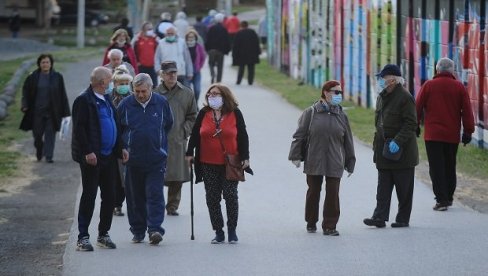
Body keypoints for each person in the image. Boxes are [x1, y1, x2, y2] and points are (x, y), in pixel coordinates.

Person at [186, 83, 251, 244]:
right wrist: (189, 153)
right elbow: (195, 134)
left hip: (230, 162)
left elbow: (242, 135)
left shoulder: (235, 113)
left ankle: (232, 229)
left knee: (230, 195)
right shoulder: (204, 113)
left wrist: (245, 157)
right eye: (210, 94)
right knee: (212, 198)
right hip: (207, 162)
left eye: (216, 94)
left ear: (225, 96)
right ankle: (219, 231)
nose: (212, 97)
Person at [288, 80, 355, 236]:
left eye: (340, 92)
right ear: (326, 92)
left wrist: (350, 162)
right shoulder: (311, 113)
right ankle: (311, 221)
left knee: (333, 193)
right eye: (336, 92)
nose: (339, 95)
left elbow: (348, 141)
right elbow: (299, 136)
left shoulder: (342, 115)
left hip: (335, 160)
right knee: (314, 191)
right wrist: (295, 156)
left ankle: (330, 226)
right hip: (314, 159)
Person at [117, 73, 173, 245]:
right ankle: (138, 230)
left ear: (151, 88)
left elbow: (168, 125)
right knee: (135, 197)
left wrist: (159, 145)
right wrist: (124, 148)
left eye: (143, 91)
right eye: (137, 91)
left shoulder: (161, 103)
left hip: (156, 159)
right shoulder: (125, 105)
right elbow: (118, 130)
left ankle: (155, 229)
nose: (140, 95)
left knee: (155, 194)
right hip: (133, 160)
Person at [71, 66, 121, 251]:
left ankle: (103, 234)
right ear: (102, 82)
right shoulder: (83, 100)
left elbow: (115, 124)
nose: (112, 84)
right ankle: (83, 237)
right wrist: (87, 152)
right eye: (110, 80)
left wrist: (120, 148)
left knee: (110, 196)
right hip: (93, 157)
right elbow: (80, 129)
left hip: (109, 156)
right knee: (90, 195)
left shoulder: (106, 98)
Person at [415, 57, 475, 211]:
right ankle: (448, 196)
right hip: (451, 135)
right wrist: (468, 131)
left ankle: (441, 199)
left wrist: (415, 125)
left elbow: (417, 106)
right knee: (449, 165)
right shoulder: (459, 87)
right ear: (452, 71)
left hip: (433, 135)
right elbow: (467, 111)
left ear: (437, 69)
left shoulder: (428, 85)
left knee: (436, 167)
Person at [363, 64, 419, 228]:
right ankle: (379, 217)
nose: (380, 81)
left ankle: (402, 219)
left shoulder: (405, 97)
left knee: (404, 189)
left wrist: (398, 141)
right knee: (383, 188)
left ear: (392, 80)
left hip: (403, 151)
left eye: (383, 78)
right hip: (383, 149)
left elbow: (411, 123)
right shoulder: (382, 96)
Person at [155, 61, 197, 216]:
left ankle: (172, 206)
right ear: (162, 75)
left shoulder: (187, 93)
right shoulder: (154, 93)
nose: (171, 75)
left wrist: (184, 131)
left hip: (178, 140)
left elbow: (193, 116)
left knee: (177, 175)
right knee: (157, 174)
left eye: (174, 72)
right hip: (158, 141)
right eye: (168, 73)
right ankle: (157, 204)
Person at [20, 53, 71, 163]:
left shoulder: (57, 77)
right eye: (43, 62)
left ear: (51, 64)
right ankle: (40, 149)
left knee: (50, 134)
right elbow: (25, 92)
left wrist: (66, 112)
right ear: (39, 64)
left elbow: (63, 95)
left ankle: (49, 156)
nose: (45, 64)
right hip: (36, 112)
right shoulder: (32, 77)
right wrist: (24, 105)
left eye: (47, 62)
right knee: (37, 135)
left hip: (52, 112)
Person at [110, 65, 133, 216]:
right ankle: (116, 204)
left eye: (126, 83)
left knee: (128, 176)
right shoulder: (108, 99)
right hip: (113, 143)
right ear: (115, 83)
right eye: (120, 83)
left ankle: (128, 204)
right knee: (116, 177)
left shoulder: (134, 98)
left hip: (131, 142)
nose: (124, 86)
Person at [232, 21, 261, 85]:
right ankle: (250, 81)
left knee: (241, 68)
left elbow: (235, 45)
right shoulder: (252, 32)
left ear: (241, 26)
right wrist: (258, 52)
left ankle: (238, 81)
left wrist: (234, 54)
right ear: (247, 25)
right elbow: (256, 43)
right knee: (251, 69)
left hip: (241, 54)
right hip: (251, 54)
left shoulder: (239, 33)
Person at [205, 13, 231, 83]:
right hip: (221, 50)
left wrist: (207, 49)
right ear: (222, 20)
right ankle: (219, 80)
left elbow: (207, 39)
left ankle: (213, 74)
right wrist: (227, 50)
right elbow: (227, 40)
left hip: (212, 50)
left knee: (211, 63)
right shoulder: (224, 29)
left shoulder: (211, 28)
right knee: (220, 66)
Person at [132, 22, 159, 87]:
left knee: (154, 85)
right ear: (144, 30)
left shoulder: (154, 39)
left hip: (152, 67)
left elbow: (159, 50)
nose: (151, 30)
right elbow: (132, 50)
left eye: (151, 29)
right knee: (140, 85)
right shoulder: (138, 39)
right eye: (149, 29)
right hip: (141, 67)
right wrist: (137, 62)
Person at [185, 29, 207, 103]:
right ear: (187, 38)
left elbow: (203, 57)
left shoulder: (199, 47)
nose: (191, 39)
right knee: (188, 91)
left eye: (192, 37)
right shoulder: (184, 47)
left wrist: (199, 66)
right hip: (187, 72)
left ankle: (195, 103)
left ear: (195, 38)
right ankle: (190, 106)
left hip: (196, 71)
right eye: (189, 37)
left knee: (197, 90)